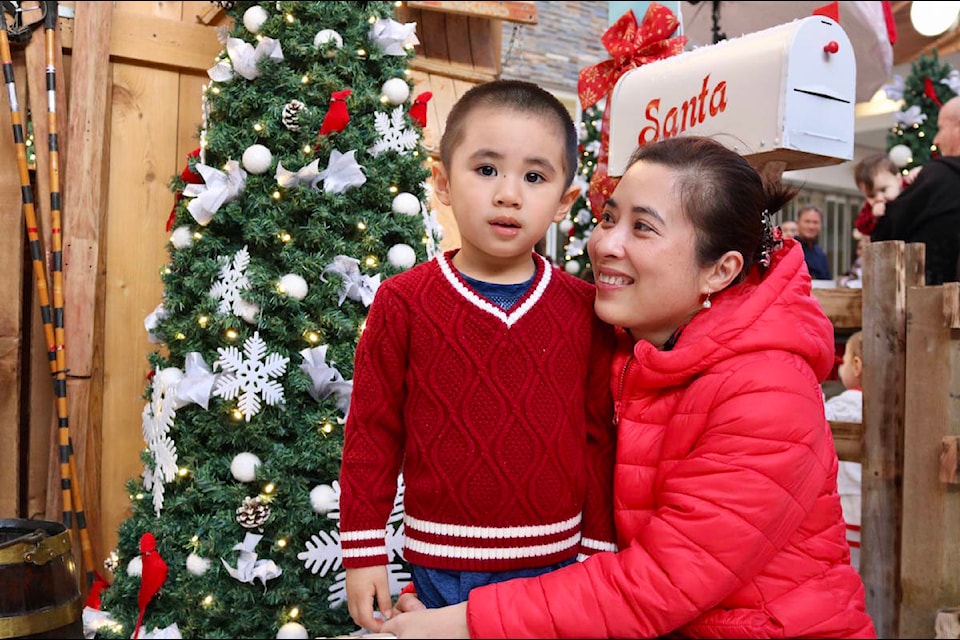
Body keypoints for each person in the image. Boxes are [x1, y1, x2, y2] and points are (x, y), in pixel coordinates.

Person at [381, 135, 875, 639]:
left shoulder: (767, 392)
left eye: (643, 228)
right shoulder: (624, 343)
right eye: (609, 219)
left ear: (720, 270)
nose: (605, 245)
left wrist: (462, 622)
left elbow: (661, 582)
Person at [338, 80, 617, 633]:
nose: (509, 194)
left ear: (564, 201)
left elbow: (598, 438)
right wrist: (364, 548)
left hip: (556, 565)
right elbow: (372, 430)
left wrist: (598, 546)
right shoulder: (404, 302)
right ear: (442, 182)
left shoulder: (587, 310)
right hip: (443, 564)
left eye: (534, 177)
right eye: (486, 170)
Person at [872, 95, 960, 285]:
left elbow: (885, 233)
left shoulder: (940, 176)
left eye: (941, 128)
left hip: (933, 304)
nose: (936, 140)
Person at [824, 331, 865, 571]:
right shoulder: (893, 406)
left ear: (856, 366)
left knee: (850, 563)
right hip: (871, 501)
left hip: (847, 502)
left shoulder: (844, 404)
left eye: (845, 361)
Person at [852, 152, 905, 236]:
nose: (879, 198)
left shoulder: (908, 190)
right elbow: (860, 226)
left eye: (883, 190)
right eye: (871, 196)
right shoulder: (869, 209)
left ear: (898, 180)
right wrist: (873, 216)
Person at [796, 204, 832, 280]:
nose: (811, 226)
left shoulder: (821, 254)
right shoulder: (789, 250)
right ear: (798, 223)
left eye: (815, 222)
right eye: (807, 221)